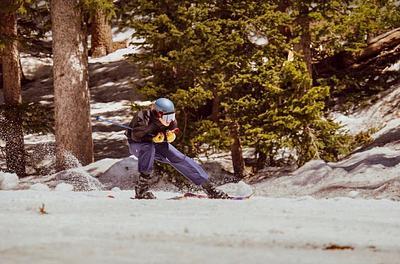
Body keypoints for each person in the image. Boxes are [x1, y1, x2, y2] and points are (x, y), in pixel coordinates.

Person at [125, 98, 229, 199]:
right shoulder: (143, 117)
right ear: (158, 114)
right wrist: (152, 137)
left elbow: (172, 129)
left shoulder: (171, 121)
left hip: (157, 143)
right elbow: (136, 136)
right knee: (149, 147)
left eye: (172, 116)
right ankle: (141, 190)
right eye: (167, 117)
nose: (170, 120)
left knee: (177, 157)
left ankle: (209, 188)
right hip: (137, 144)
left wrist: (169, 135)